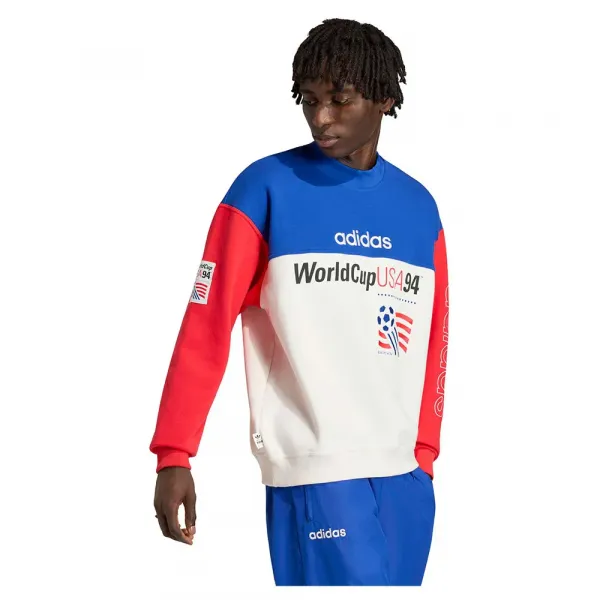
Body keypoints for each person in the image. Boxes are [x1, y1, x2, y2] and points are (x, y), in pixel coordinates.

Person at [150, 17, 449, 586]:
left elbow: (435, 338)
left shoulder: (419, 208)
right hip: (316, 470)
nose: (321, 118)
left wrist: (424, 458)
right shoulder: (265, 188)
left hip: (404, 478)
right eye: (309, 101)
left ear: (384, 99)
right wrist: (174, 453)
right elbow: (206, 324)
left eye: (340, 99)